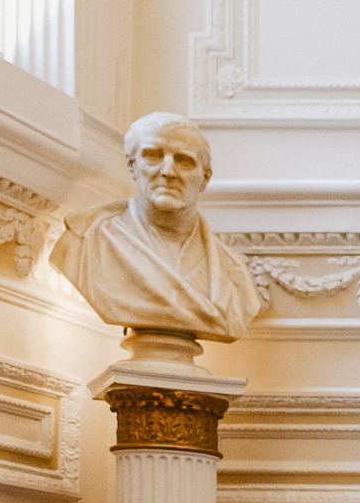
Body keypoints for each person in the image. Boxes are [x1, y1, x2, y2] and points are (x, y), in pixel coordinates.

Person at [53, 112, 262, 342]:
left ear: (205, 177)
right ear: (132, 165)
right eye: (153, 156)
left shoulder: (233, 273)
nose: (168, 171)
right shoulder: (88, 243)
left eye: (184, 160)